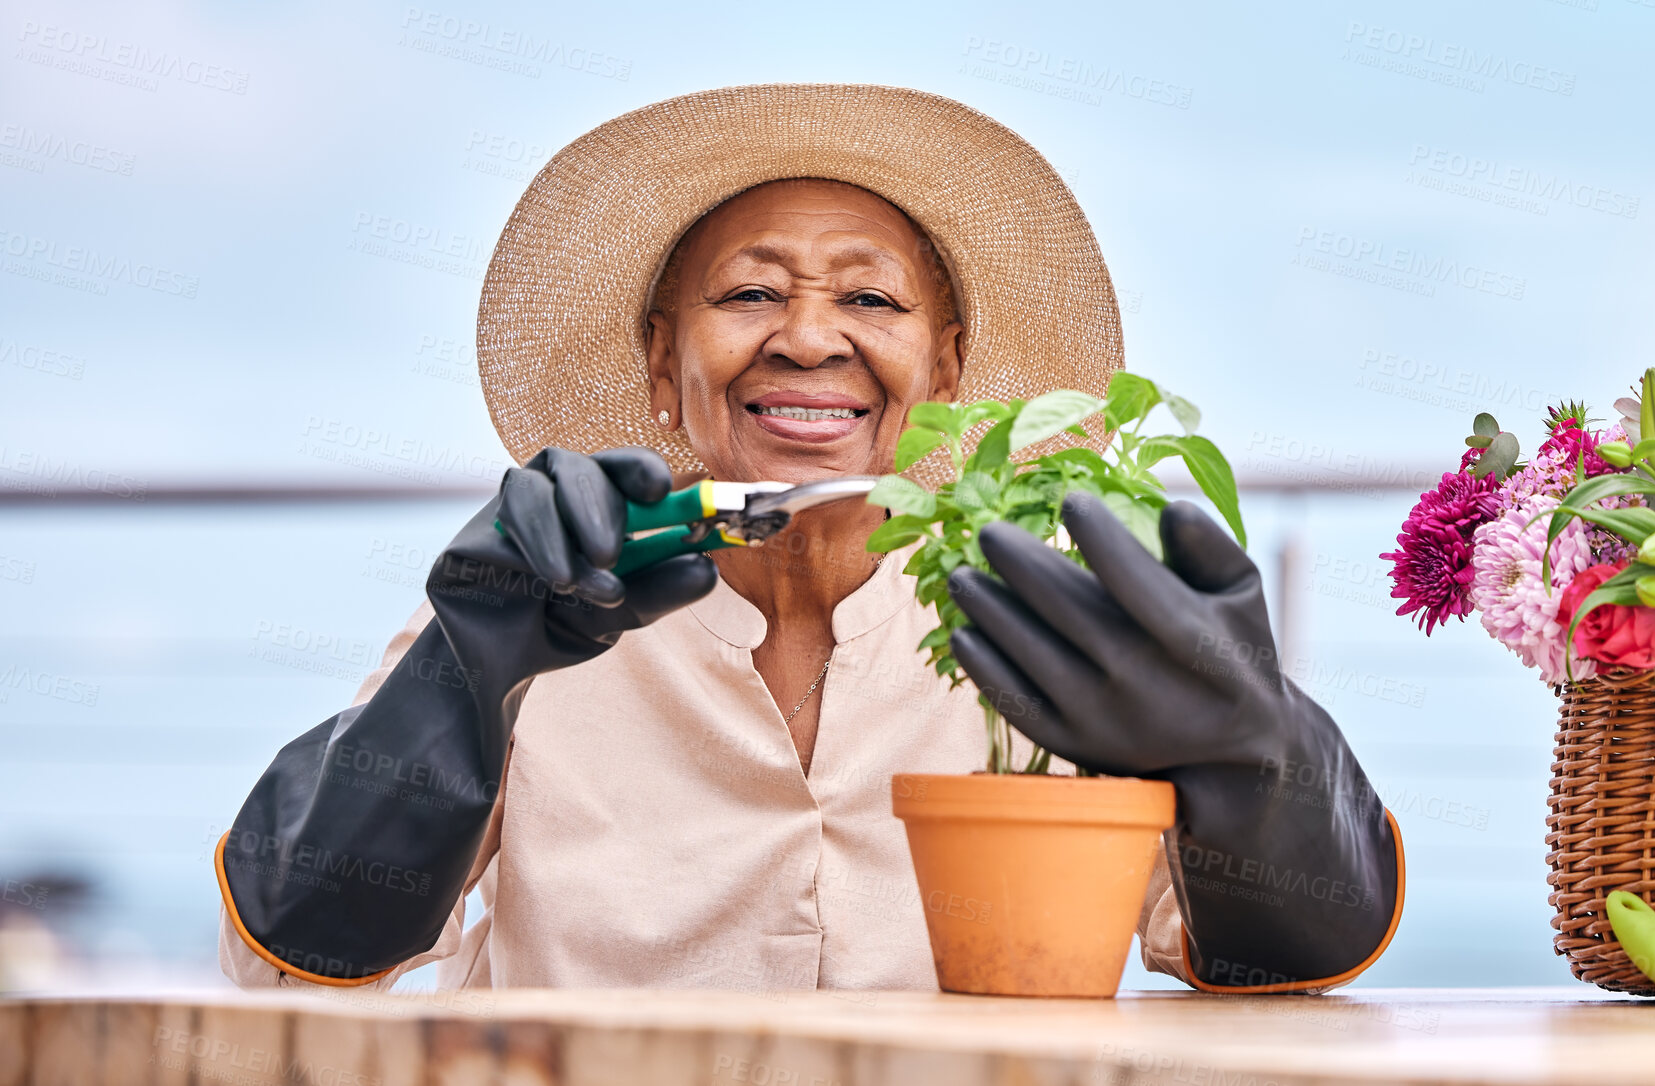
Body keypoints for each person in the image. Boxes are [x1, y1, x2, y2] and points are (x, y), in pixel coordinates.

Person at [216, 84, 1402, 993]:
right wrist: (467, 666)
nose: (805, 339)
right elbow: (296, 947)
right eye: (748, 295)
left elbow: (1285, 958)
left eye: (869, 299)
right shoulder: (542, 597)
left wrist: (1250, 746)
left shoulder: (1057, 625)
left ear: (945, 372)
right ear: (660, 370)